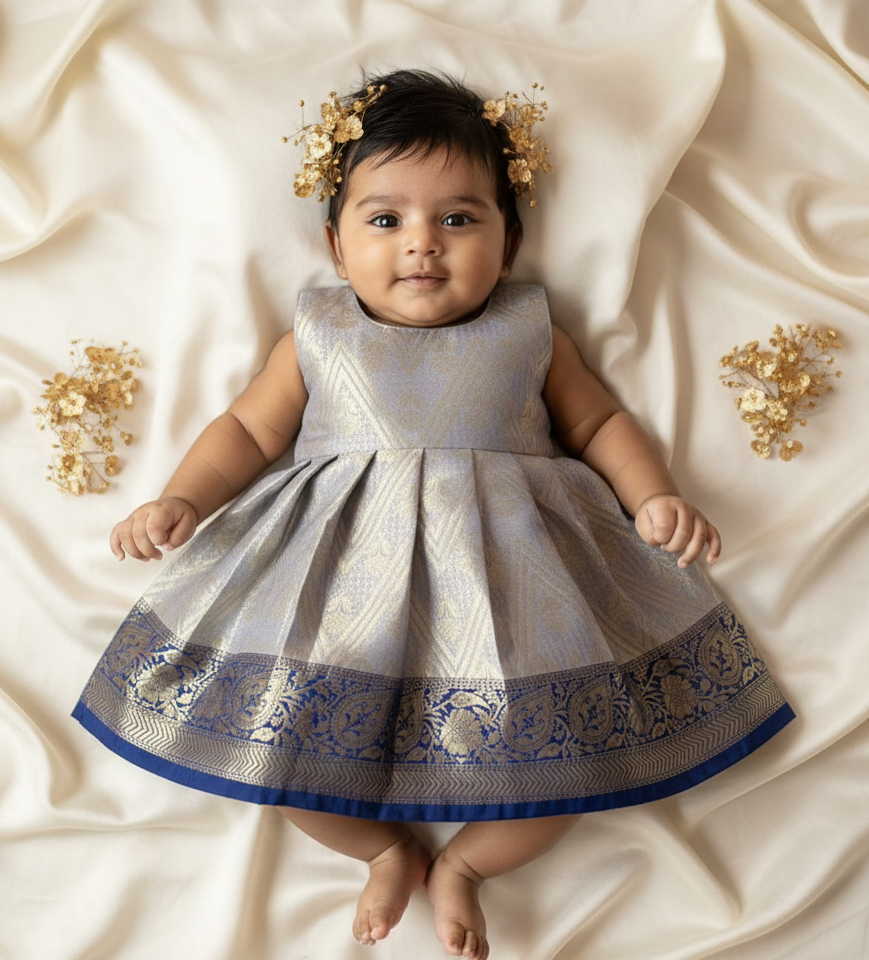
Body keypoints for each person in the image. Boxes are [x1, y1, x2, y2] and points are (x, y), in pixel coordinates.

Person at [73, 70, 794, 960]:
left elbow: (598, 424)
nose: (422, 243)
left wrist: (653, 497)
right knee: (275, 750)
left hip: (513, 576)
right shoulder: (317, 334)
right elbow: (249, 430)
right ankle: (384, 850)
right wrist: (182, 497)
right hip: (337, 586)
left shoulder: (531, 330)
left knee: (569, 755)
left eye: (458, 218)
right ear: (336, 247)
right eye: (385, 220)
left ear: (509, 241)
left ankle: (466, 866)